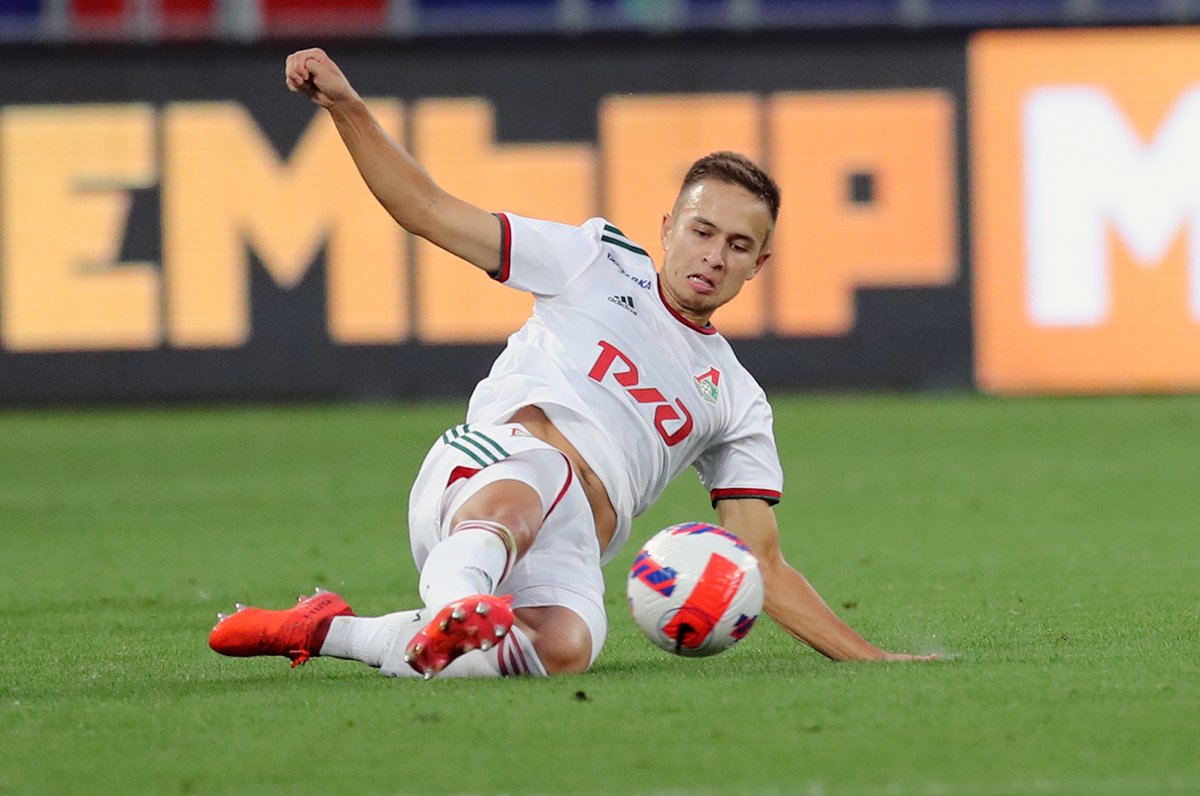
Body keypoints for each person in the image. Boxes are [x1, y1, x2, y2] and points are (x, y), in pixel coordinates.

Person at [209, 48, 932, 679]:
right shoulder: (594, 259)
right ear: (667, 229)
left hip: (570, 546)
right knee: (546, 474)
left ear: (758, 265)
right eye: (702, 230)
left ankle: (330, 632)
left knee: (564, 649)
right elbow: (426, 207)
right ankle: (459, 603)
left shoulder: (737, 400)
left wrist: (871, 660)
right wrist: (346, 106)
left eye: (738, 246)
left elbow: (761, 563)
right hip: (483, 478)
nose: (714, 255)